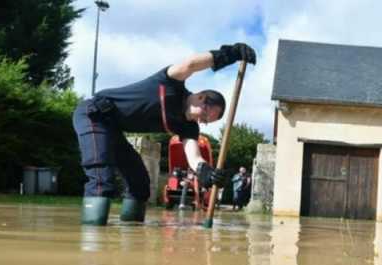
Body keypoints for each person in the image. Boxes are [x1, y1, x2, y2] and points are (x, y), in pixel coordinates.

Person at [73, 43, 256, 225]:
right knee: (101, 174)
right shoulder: (170, 84)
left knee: (140, 183)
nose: (203, 121)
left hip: (113, 129)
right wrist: (229, 54)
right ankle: (93, 237)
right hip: (94, 114)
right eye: (206, 114)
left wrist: (207, 173)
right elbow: (190, 64)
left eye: (207, 121)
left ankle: (131, 232)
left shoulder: (188, 127)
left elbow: (194, 158)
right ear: (201, 97)